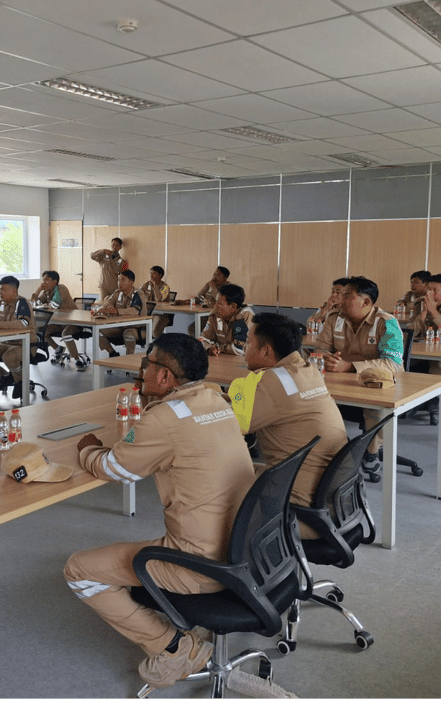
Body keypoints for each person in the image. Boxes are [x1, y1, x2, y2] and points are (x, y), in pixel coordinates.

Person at [64, 333, 255, 690]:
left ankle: (173, 647)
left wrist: (87, 449)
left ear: (165, 376)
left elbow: (115, 469)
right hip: (242, 548)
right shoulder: (215, 397)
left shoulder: (165, 418)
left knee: (78, 570)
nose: (141, 370)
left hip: (199, 564)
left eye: (147, 364)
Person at [229, 312, 349, 517]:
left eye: (248, 343)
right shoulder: (308, 369)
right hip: (330, 494)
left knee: (213, 477)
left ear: (266, 351)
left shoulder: (272, 382)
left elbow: (226, 427)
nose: (245, 349)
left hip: (296, 503)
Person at [315, 276, 404, 463]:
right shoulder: (334, 318)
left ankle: (371, 455)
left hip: (377, 384)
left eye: (347, 296)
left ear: (366, 302)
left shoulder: (387, 323)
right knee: (310, 400)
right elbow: (321, 348)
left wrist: (349, 366)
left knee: (377, 410)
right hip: (339, 382)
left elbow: (393, 363)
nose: (340, 299)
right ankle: (330, 453)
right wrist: (326, 358)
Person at [30, 270, 89, 371]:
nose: (43, 283)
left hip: (73, 322)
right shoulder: (46, 292)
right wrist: (39, 290)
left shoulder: (61, 288)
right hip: (60, 323)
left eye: (46, 280)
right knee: (40, 330)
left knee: (66, 333)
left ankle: (77, 359)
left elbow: (54, 304)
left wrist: (44, 305)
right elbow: (33, 304)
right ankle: (58, 349)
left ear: (55, 281)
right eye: (43, 280)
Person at [93, 269, 145, 357]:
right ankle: (112, 353)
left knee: (128, 333)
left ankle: (128, 358)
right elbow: (108, 302)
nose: (119, 282)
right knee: (96, 330)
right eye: (118, 280)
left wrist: (117, 311)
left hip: (136, 327)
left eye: (123, 280)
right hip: (120, 326)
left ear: (131, 282)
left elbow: (135, 311)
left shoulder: (138, 294)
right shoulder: (118, 292)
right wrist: (103, 308)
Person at [197, 284, 255, 356]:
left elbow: (240, 349)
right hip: (225, 359)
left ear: (233, 307)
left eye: (219, 303)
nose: (215, 306)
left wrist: (220, 348)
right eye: (216, 302)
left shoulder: (244, 316)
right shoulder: (215, 315)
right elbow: (202, 339)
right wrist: (209, 348)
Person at [186, 266, 230, 335]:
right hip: (206, 314)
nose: (214, 277)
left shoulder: (228, 287)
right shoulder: (209, 285)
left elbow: (222, 301)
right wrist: (184, 302)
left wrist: (214, 288)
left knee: (203, 330)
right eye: (214, 274)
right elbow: (199, 298)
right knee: (192, 328)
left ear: (224, 278)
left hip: (219, 316)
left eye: (218, 275)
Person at [396, 271, 434, 341]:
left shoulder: (430, 297)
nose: (412, 285)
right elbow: (399, 304)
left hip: (426, 330)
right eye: (411, 282)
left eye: (416, 282)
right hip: (410, 324)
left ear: (426, 284)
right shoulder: (410, 295)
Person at [139, 265, 174, 337]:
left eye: (154, 273)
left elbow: (159, 299)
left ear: (160, 275)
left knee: (155, 332)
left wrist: (155, 286)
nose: (151, 275)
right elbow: (138, 294)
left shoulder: (165, 287)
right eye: (150, 273)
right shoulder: (146, 284)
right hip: (149, 312)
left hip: (161, 314)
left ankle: (157, 341)